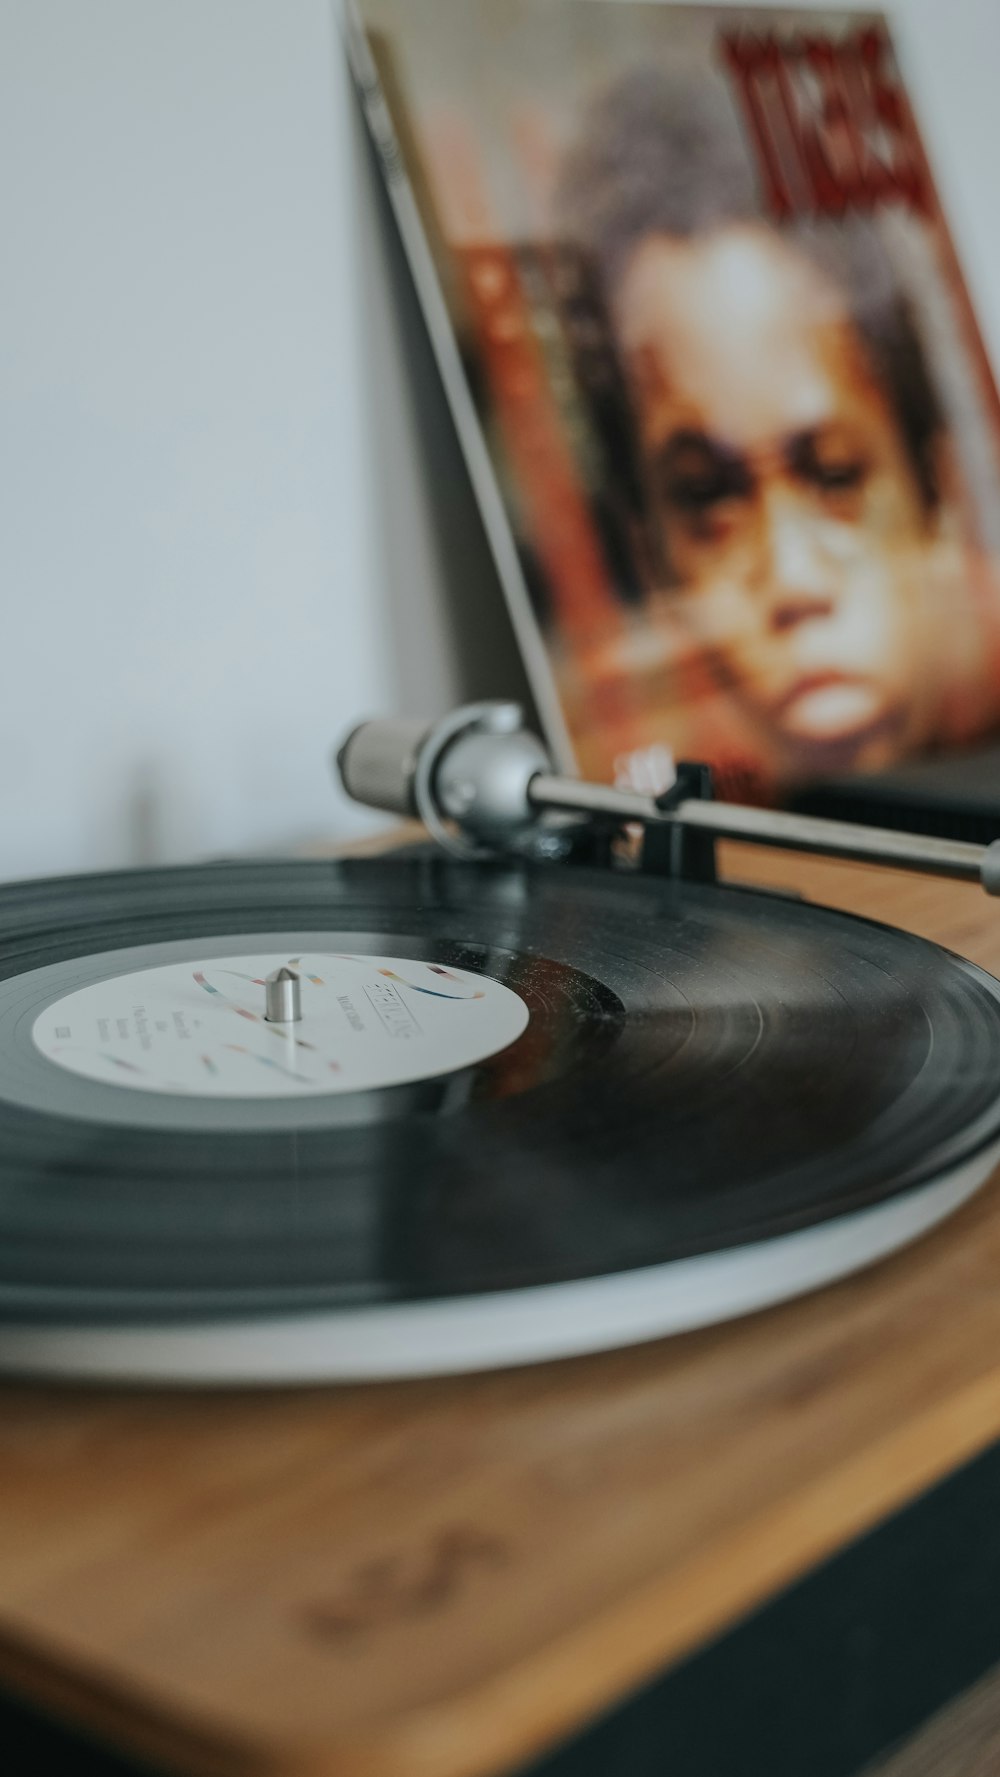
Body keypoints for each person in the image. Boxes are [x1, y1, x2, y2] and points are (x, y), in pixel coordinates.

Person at [555, 69, 997, 786]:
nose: (793, 582)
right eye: (708, 497)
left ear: (938, 494)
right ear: (647, 551)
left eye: (836, 475)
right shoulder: (620, 772)